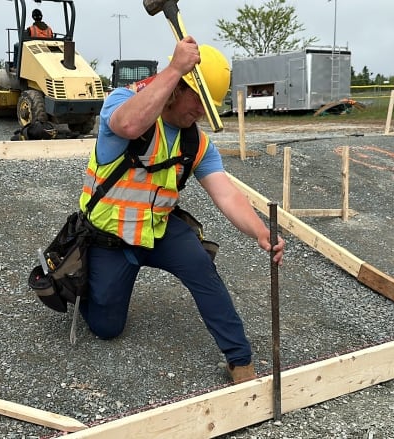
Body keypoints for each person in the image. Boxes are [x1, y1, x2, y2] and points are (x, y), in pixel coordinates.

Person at [77, 36, 285, 384]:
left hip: (158, 229)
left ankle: (240, 361)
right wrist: (174, 67)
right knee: (106, 328)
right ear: (178, 85)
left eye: (209, 106)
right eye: (199, 100)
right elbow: (128, 126)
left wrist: (261, 232)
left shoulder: (196, 141)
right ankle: (81, 286)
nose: (202, 112)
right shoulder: (123, 102)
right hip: (108, 237)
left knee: (202, 268)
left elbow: (227, 195)